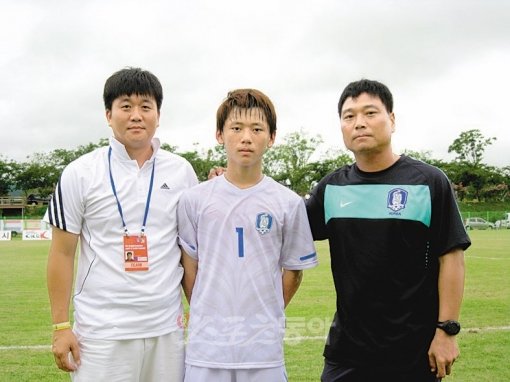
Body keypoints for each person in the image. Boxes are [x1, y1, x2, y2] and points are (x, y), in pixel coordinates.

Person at [306, 79, 471, 382]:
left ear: (392, 120)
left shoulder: (428, 182)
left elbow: (452, 257)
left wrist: (447, 331)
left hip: (414, 352)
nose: (359, 123)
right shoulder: (331, 189)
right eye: (349, 116)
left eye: (370, 113)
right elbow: (286, 231)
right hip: (347, 352)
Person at [46, 67, 198, 381]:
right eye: (125, 106)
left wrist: (200, 309)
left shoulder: (181, 171)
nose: (136, 115)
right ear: (108, 114)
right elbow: (61, 254)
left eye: (146, 106)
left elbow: (189, 250)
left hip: (166, 330)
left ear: (158, 113)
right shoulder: (80, 172)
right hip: (102, 333)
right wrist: (61, 327)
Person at [177, 89, 318, 382]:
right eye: (236, 128)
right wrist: (208, 308)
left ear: (272, 137)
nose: (246, 137)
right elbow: (189, 268)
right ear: (219, 134)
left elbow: (293, 272)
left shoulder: (288, 202)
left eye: (257, 129)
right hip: (207, 350)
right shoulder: (194, 200)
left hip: (263, 352)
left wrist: (265, 311)